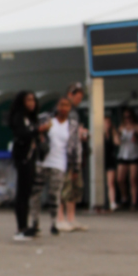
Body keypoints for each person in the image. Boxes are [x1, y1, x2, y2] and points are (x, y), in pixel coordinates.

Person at [9, 90, 48, 241]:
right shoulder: (19, 117)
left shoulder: (31, 118)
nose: (31, 103)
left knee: (28, 192)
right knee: (22, 193)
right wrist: (38, 130)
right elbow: (22, 133)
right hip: (23, 159)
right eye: (28, 100)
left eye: (33, 100)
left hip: (31, 158)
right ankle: (21, 227)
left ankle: (27, 226)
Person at [59, 81, 88, 231]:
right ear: (70, 95)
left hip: (75, 154)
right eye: (78, 97)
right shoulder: (63, 112)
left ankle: (71, 218)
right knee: (63, 187)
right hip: (65, 155)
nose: (79, 100)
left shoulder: (76, 112)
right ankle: (60, 219)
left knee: (74, 188)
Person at [42, 97, 72, 235]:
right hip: (43, 162)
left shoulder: (71, 125)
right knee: (36, 195)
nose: (63, 108)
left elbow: (74, 147)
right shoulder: (49, 122)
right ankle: (35, 222)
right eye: (61, 105)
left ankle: (54, 223)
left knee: (55, 195)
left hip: (60, 163)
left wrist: (75, 166)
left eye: (66, 105)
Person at [116, 107, 138, 209]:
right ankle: (125, 198)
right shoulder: (121, 128)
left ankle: (134, 202)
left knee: (133, 179)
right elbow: (117, 141)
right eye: (125, 117)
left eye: (129, 117)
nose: (127, 119)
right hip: (124, 154)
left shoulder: (137, 127)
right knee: (120, 178)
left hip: (135, 154)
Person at [104, 115, 119, 210]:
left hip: (110, 159)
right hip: (100, 160)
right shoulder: (98, 134)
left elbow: (117, 143)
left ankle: (112, 202)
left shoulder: (112, 133)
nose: (107, 124)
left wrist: (114, 131)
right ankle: (101, 202)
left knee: (111, 182)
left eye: (108, 122)